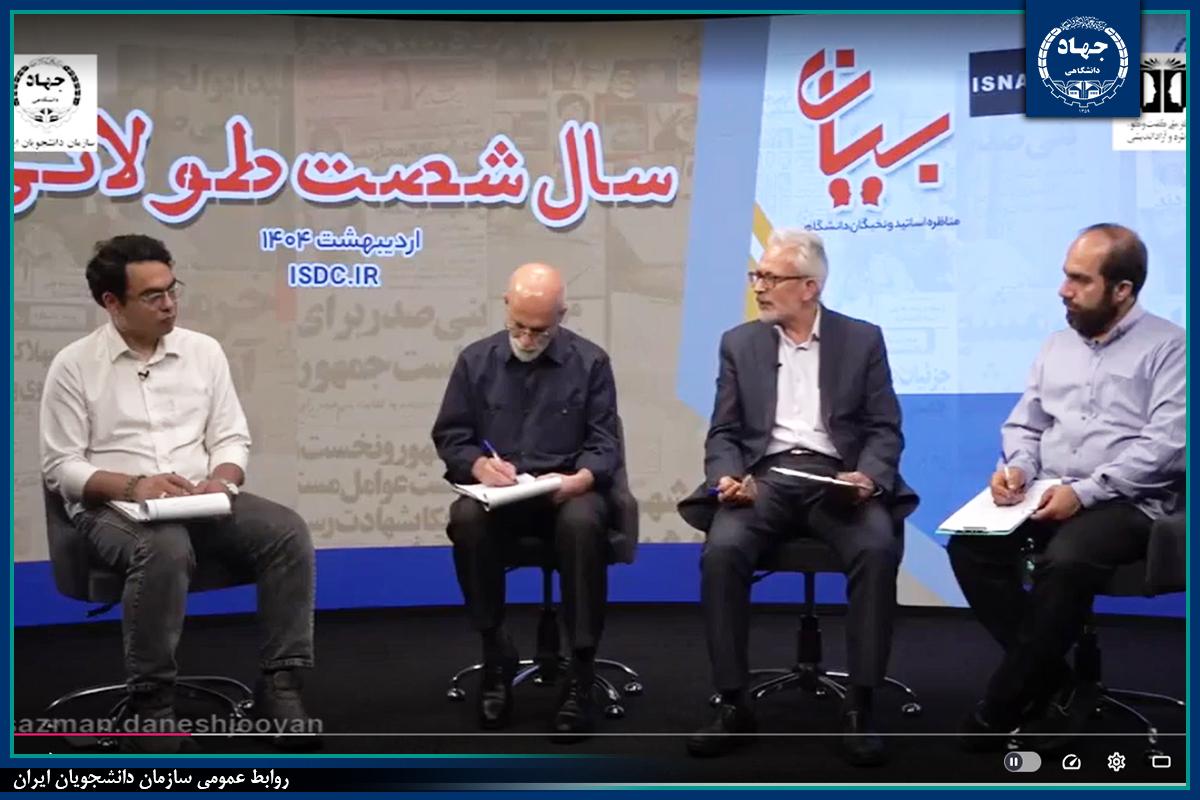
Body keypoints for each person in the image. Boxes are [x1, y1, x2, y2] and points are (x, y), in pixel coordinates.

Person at [39, 234, 318, 753]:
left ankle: (280, 685)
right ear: (112, 302)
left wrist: (223, 480)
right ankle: (151, 704)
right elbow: (62, 468)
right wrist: (135, 485)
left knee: (286, 531)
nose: (169, 304)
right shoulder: (74, 365)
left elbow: (231, 437)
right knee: (163, 545)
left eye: (172, 289)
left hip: (199, 498)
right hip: (112, 507)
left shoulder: (202, 351)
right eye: (152, 296)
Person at [677, 229, 918, 766]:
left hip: (837, 479)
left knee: (876, 548)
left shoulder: (862, 340)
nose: (759, 287)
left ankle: (860, 704)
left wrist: (868, 477)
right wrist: (727, 477)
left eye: (770, 277)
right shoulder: (739, 343)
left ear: (810, 287)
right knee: (722, 552)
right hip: (766, 478)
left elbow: (884, 428)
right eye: (756, 275)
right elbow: (724, 431)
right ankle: (733, 702)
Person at [948, 224, 1185, 749]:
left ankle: (1002, 704)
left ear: (1122, 290)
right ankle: (1060, 684)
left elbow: (1167, 446)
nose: (1064, 290)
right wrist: (1018, 468)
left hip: (1129, 501)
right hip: (1049, 490)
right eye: (1065, 276)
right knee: (969, 548)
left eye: (1080, 280)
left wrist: (1085, 493)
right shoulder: (1055, 346)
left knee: (1068, 558)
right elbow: (1025, 425)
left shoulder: (1170, 348)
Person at [431, 263, 622, 739]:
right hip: (503, 496)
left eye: (540, 330)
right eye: (518, 326)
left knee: (582, 525)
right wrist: (478, 466)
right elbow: (452, 436)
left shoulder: (591, 363)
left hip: (567, 493)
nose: (527, 338)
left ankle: (580, 671)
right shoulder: (476, 361)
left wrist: (581, 478)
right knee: (466, 518)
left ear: (562, 316)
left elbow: (604, 444)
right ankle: (495, 652)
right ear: (506, 306)